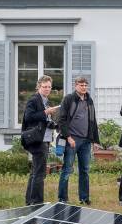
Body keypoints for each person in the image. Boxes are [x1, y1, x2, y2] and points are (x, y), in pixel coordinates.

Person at [55, 76, 96, 204]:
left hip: (85, 141)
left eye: (85, 85)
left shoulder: (89, 100)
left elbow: (92, 121)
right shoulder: (68, 99)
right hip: (71, 139)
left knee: (85, 170)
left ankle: (84, 198)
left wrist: (93, 139)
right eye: (81, 85)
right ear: (75, 86)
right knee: (67, 169)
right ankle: (63, 199)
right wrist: (68, 137)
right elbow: (61, 120)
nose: (84, 87)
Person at [18, 75, 54, 205]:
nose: (47, 89)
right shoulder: (34, 99)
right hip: (37, 140)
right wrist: (46, 112)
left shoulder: (45, 100)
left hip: (45, 139)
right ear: (39, 86)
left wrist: (51, 121)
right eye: (44, 87)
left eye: (49, 87)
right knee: (40, 173)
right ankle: (37, 203)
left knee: (35, 172)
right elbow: (28, 117)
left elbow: (42, 120)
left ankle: (30, 201)